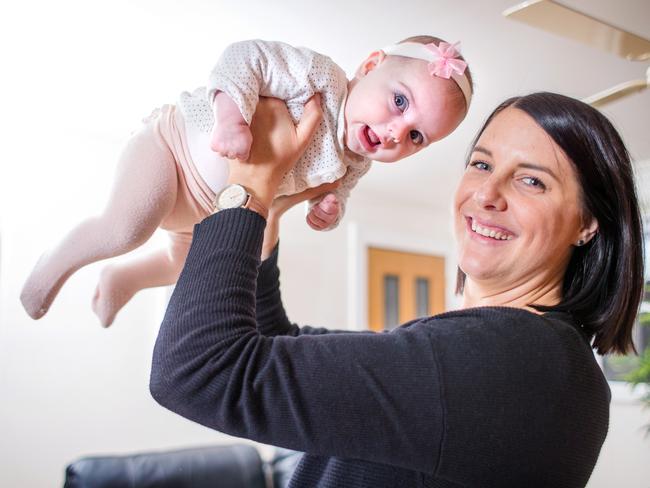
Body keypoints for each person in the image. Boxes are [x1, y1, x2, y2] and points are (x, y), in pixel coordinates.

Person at [149, 91, 644, 488]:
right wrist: (272, 213)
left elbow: (197, 370)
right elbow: (280, 340)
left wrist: (249, 185)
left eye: (532, 182)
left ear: (587, 223)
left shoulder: (515, 361)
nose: (487, 195)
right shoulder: (530, 355)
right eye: (482, 164)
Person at [20, 36, 473, 327]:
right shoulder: (323, 80)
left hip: (208, 210)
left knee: (188, 266)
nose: (397, 132)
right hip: (172, 150)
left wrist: (327, 212)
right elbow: (245, 57)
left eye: (417, 136)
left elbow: (338, 196)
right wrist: (231, 117)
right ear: (371, 64)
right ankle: (52, 265)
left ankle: (123, 280)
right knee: (127, 229)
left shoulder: (355, 162)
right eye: (399, 101)